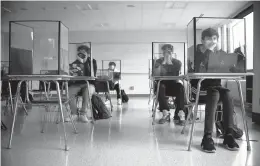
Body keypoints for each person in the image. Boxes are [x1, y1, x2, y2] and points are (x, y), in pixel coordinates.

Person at [195, 28, 239, 153]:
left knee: (227, 94)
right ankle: (207, 136)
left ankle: (229, 134)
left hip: (217, 87)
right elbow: (199, 69)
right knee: (214, 93)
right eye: (209, 39)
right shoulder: (198, 54)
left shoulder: (220, 54)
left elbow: (230, 69)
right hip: (201, 87)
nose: (212, 41)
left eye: (214, 39)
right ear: (202, 40)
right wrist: (209, 51)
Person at [153, 44, 187, 125]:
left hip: (173, 84)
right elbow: (157, 74)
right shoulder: (158, 61)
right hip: (162, 84)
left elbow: (175, 74)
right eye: (164, 51)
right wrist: (164, 62)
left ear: (172, 52)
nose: (166, 53)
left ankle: (179, 113)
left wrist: (169, 61)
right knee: (160, 86)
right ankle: (166, 112)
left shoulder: (177, 62)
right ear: (162, 52)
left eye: (169, 51)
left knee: (180, 87)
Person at [65, 45, 97, 123]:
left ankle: (83, 114)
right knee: (69, 92)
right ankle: (74, 114)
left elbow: (93, 74)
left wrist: (85, 62)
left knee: (87, 92)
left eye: (83, 52)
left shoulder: (92, 62)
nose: (81, 54)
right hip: (77, 83)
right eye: (79, 52)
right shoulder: (74, 63)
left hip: (89, 84)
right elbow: (72, 76)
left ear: (88, 53)